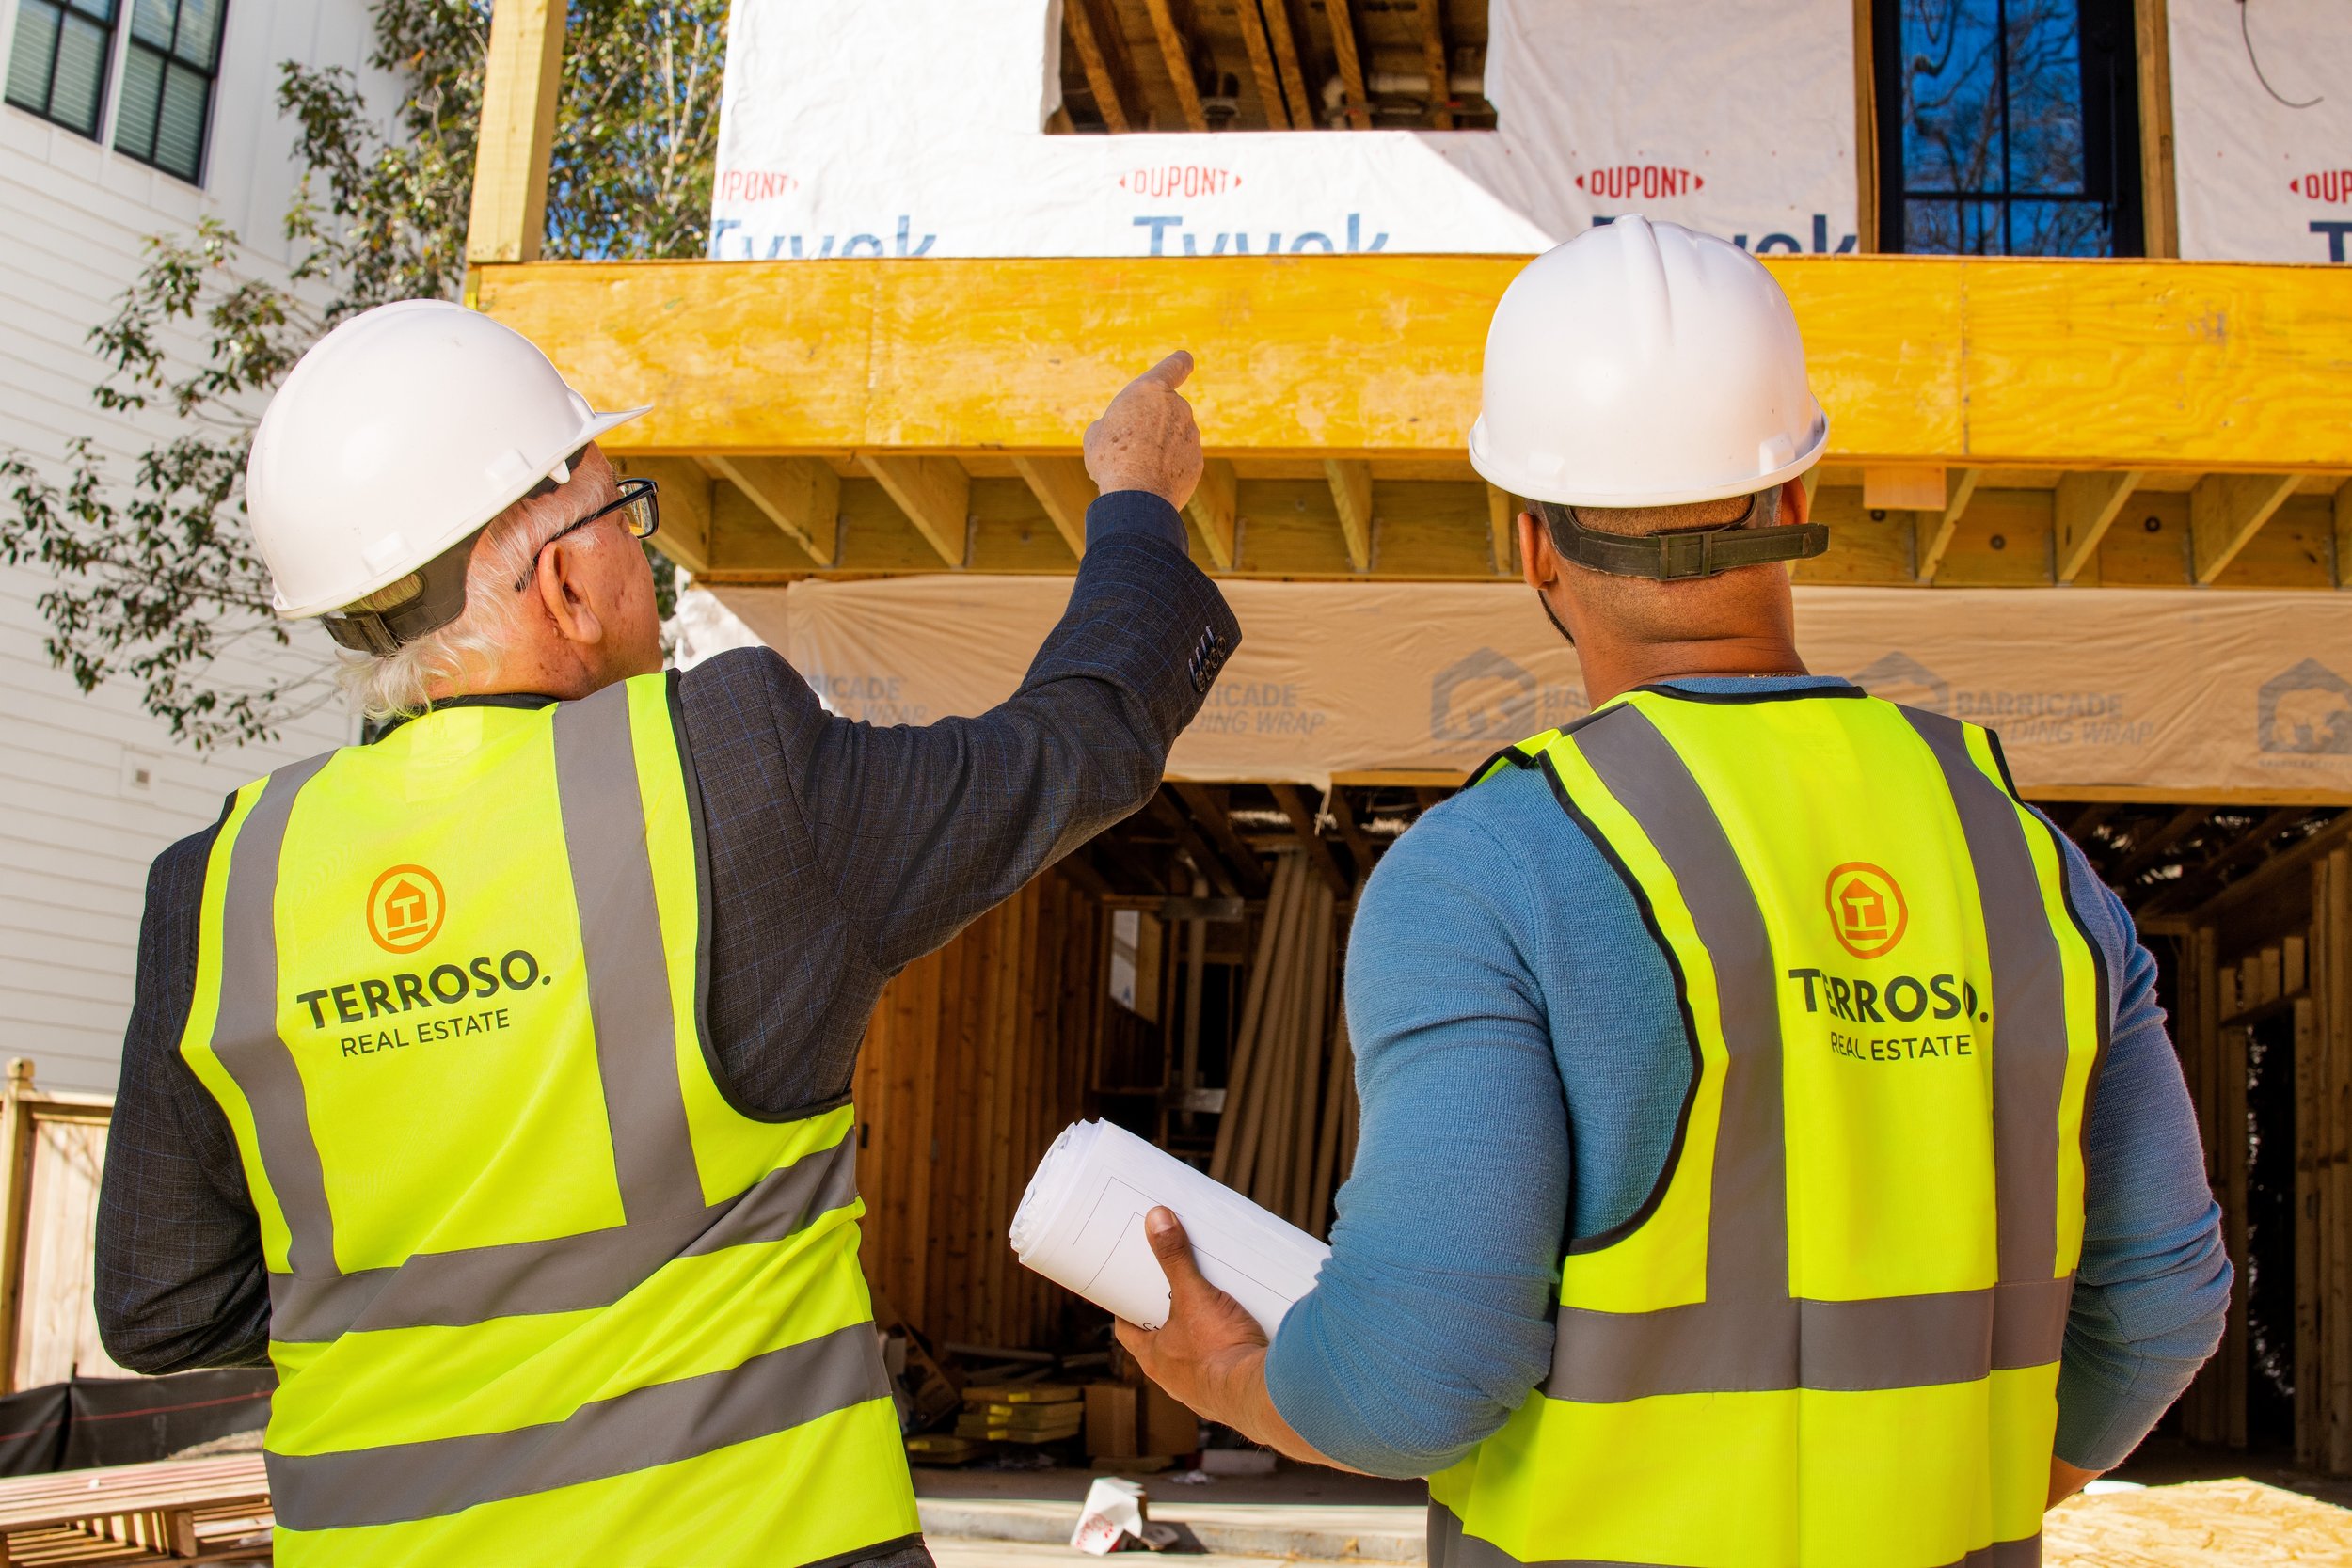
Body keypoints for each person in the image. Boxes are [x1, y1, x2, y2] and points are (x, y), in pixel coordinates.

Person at [1117, 216, 2231, 1567]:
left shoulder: (1492, 871)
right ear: (1801, 502)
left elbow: (1418, 1377)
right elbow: (2163, 1303)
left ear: (1530, 543)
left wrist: (1227, 1377)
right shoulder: (2030, 864)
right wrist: (1986, 1494)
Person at [93, 299, 1237, 1568]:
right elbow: (1080, 744)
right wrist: (1138, 498)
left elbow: (168, 1308)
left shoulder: (218, 887)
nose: (641, 551)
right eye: (619, 512)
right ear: (568, 582)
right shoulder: (725, 783)